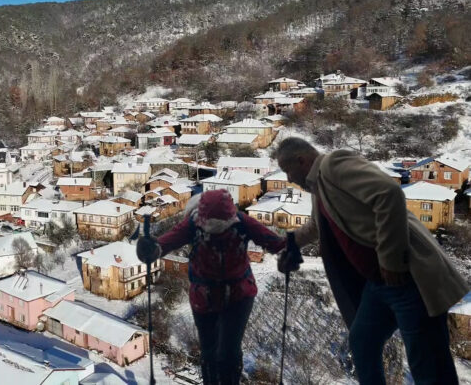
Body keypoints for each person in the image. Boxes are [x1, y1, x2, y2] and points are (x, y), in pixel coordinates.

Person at [275, 137, 468, 384]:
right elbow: (316, 226)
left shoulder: (334, 165)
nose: (289, 179)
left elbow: (389, 193)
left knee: (427, 363)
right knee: (362, 341)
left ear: (301, 160)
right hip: (378, 284)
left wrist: (391, 260)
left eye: (287, 170)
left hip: (407, 276)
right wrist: (286, 244)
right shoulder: (319, 186)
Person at [137, 189, 286, 385]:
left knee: (227, 350)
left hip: (228, 295)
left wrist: (287, 251)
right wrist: (151, 249)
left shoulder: (238, 222)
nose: (217, 231)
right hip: (223, 294)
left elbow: (276, 243)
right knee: (211, 350)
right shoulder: (200, 223)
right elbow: (166, 243)